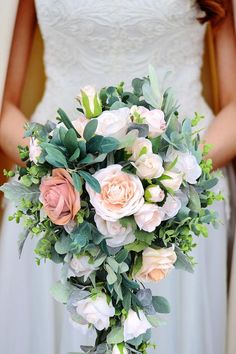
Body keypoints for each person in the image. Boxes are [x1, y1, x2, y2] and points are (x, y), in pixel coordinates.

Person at [0, 1, 235, 353]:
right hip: (56, 198)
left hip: (177, 200)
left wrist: (168, 179)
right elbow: (4, 109)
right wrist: (58, 170)